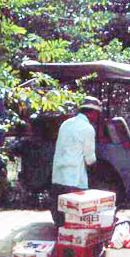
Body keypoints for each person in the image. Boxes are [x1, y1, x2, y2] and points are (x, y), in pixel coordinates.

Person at [50, 96, 101, 227]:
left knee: (60, 222)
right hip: (74, 180)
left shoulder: (66, 124)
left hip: (58, 177)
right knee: (74, 223)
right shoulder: (87, 129)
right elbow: (90, 159)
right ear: (93, 113)